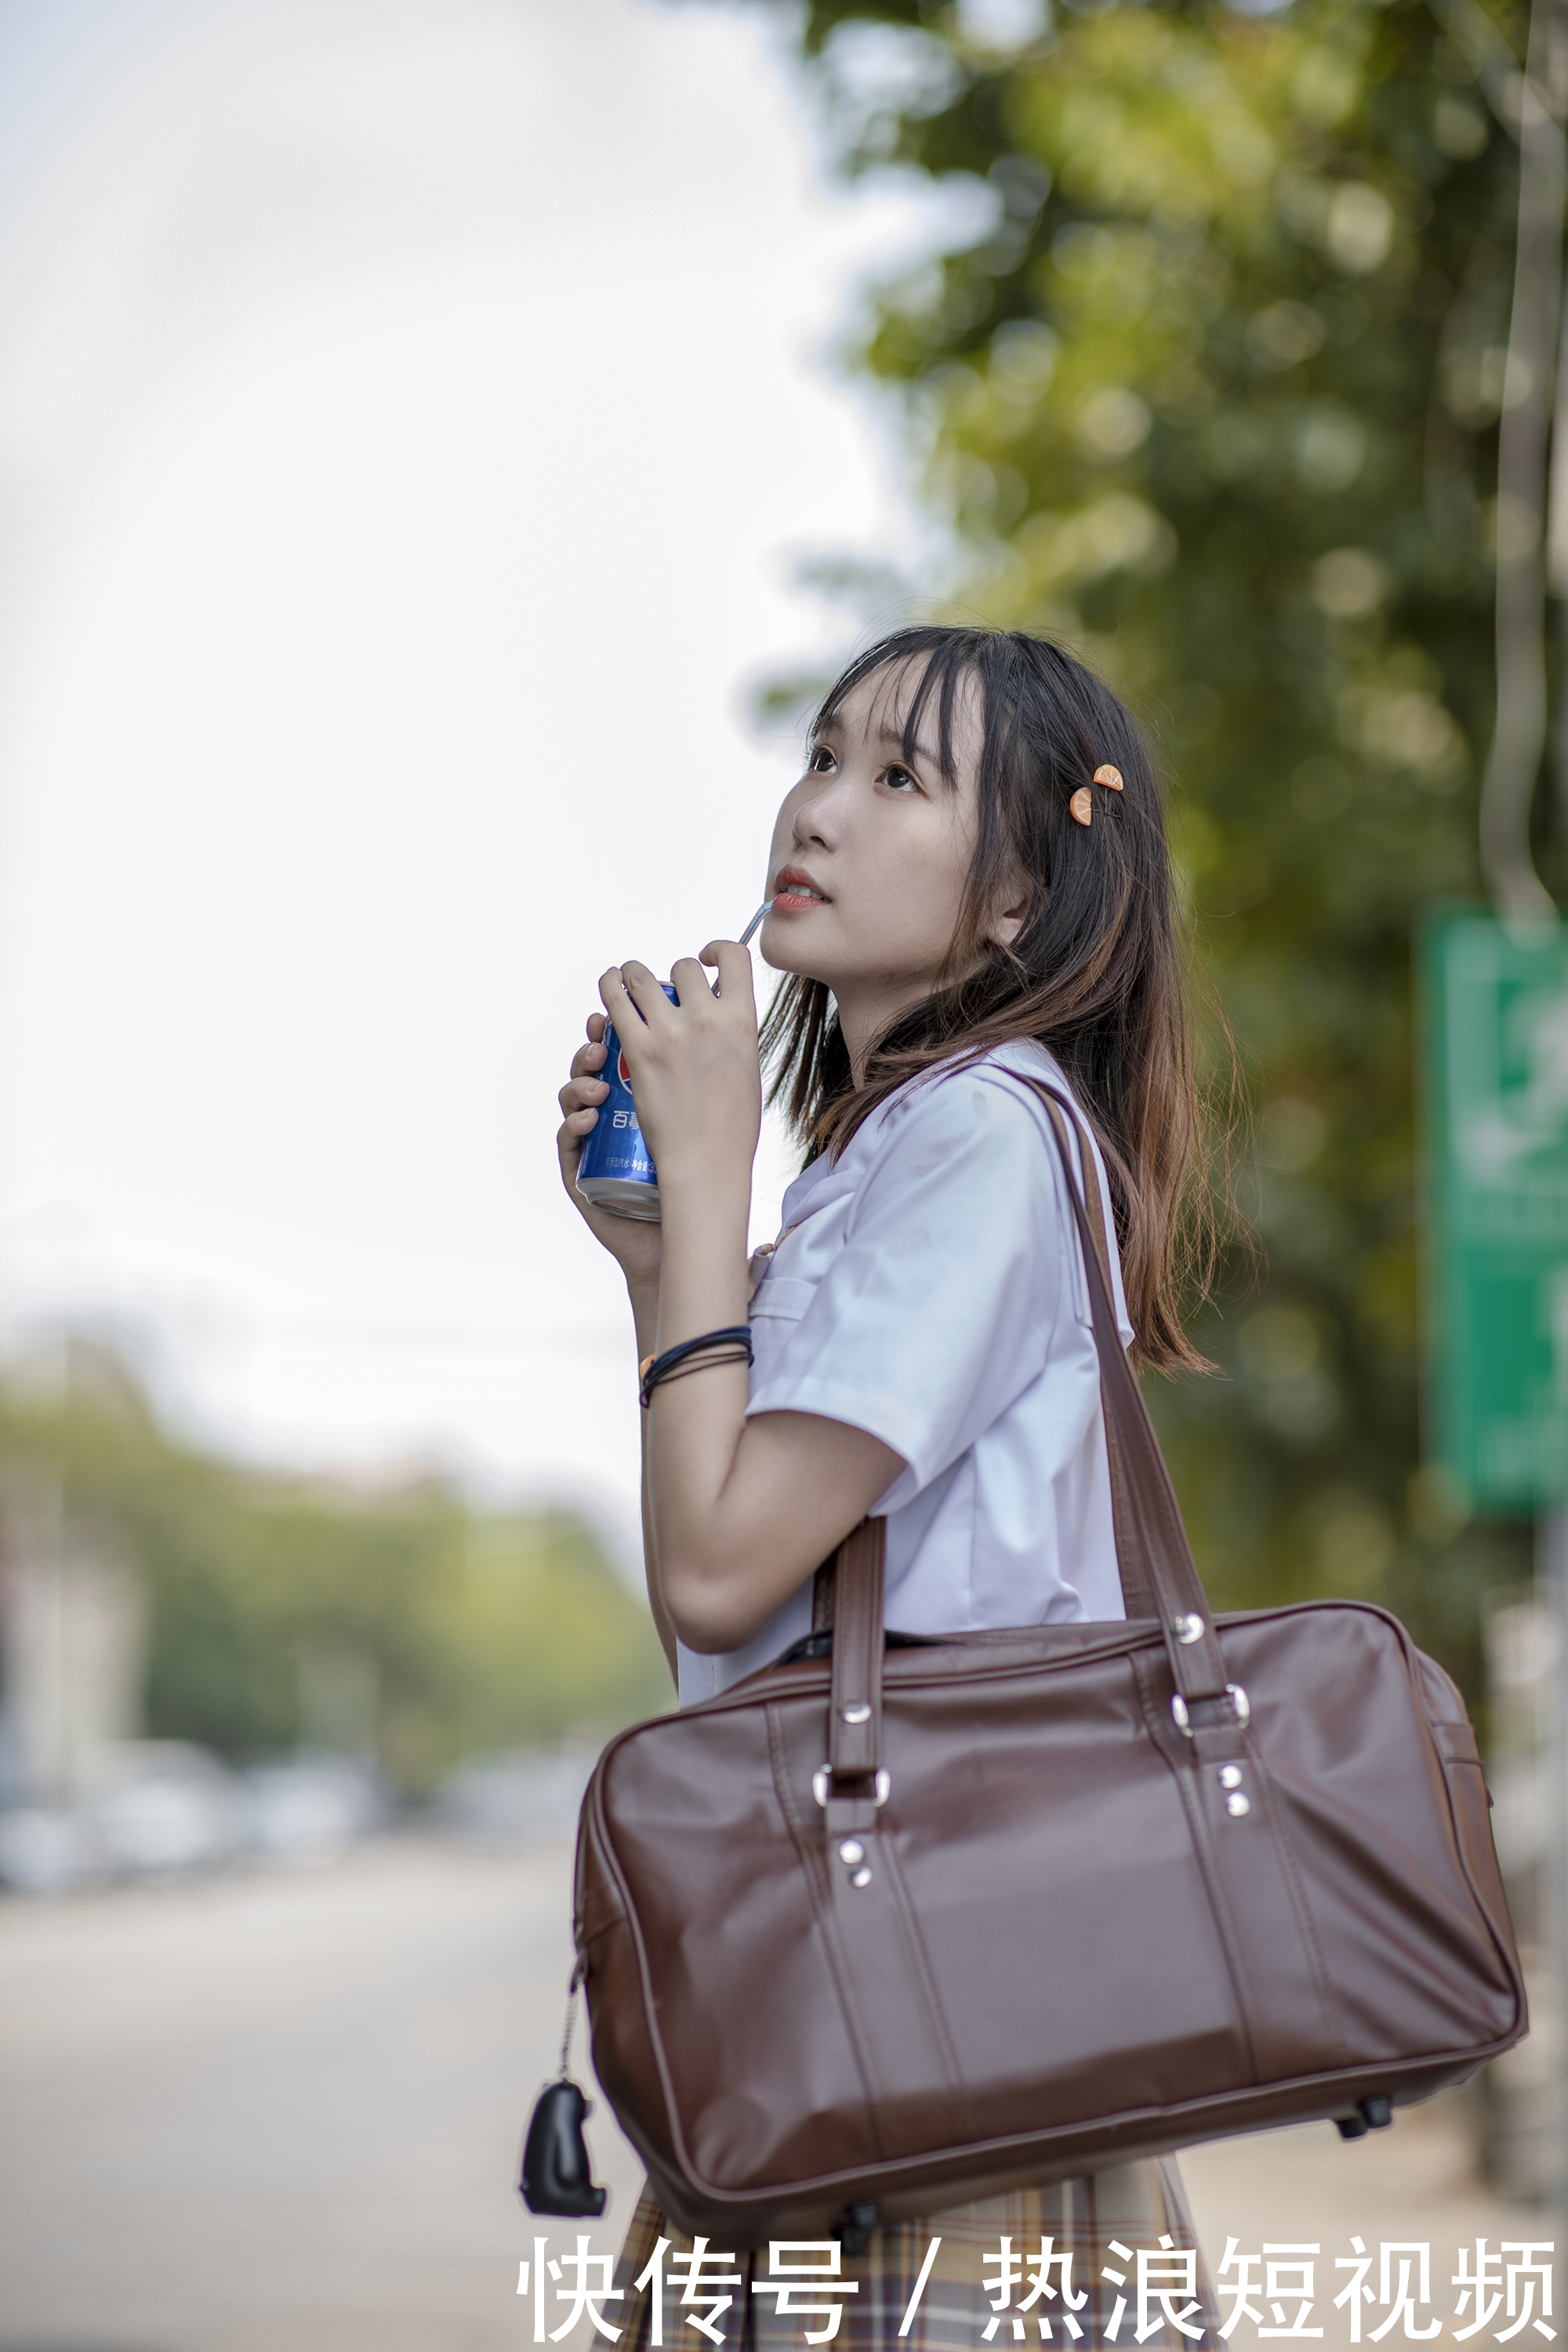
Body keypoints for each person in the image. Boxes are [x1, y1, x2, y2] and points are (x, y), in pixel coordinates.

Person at [554, 624, 1221, 2350]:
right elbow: (741, 1604)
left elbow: (710, 1579)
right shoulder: (902, 1148)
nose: (821, 808)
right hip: (892, 1956)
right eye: (824, 754)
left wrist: (709, 1195)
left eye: (900, 777)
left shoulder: (978, 1133)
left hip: (923, 1979)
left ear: (1015, 899)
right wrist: (662, 1264)